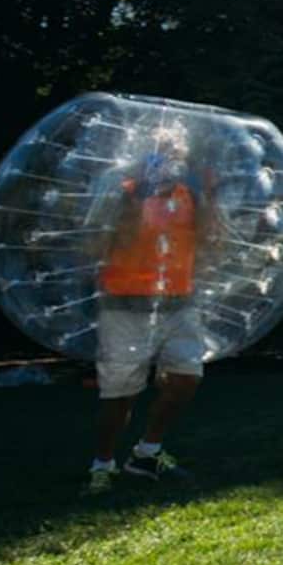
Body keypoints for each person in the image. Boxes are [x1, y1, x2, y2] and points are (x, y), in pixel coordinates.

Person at [85, 130, 215, 494]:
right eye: (158, 154)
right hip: (123, 304)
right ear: (143, 158)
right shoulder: (122, 194)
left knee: (187, 379)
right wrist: (131, 206)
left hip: (179, 302)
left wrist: (211, 198)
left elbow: (210, 243)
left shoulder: (190, 197)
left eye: (173, 156)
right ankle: (103, 465)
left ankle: (147, 451)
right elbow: (95, 246)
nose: (165, 163)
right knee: (119, 395)